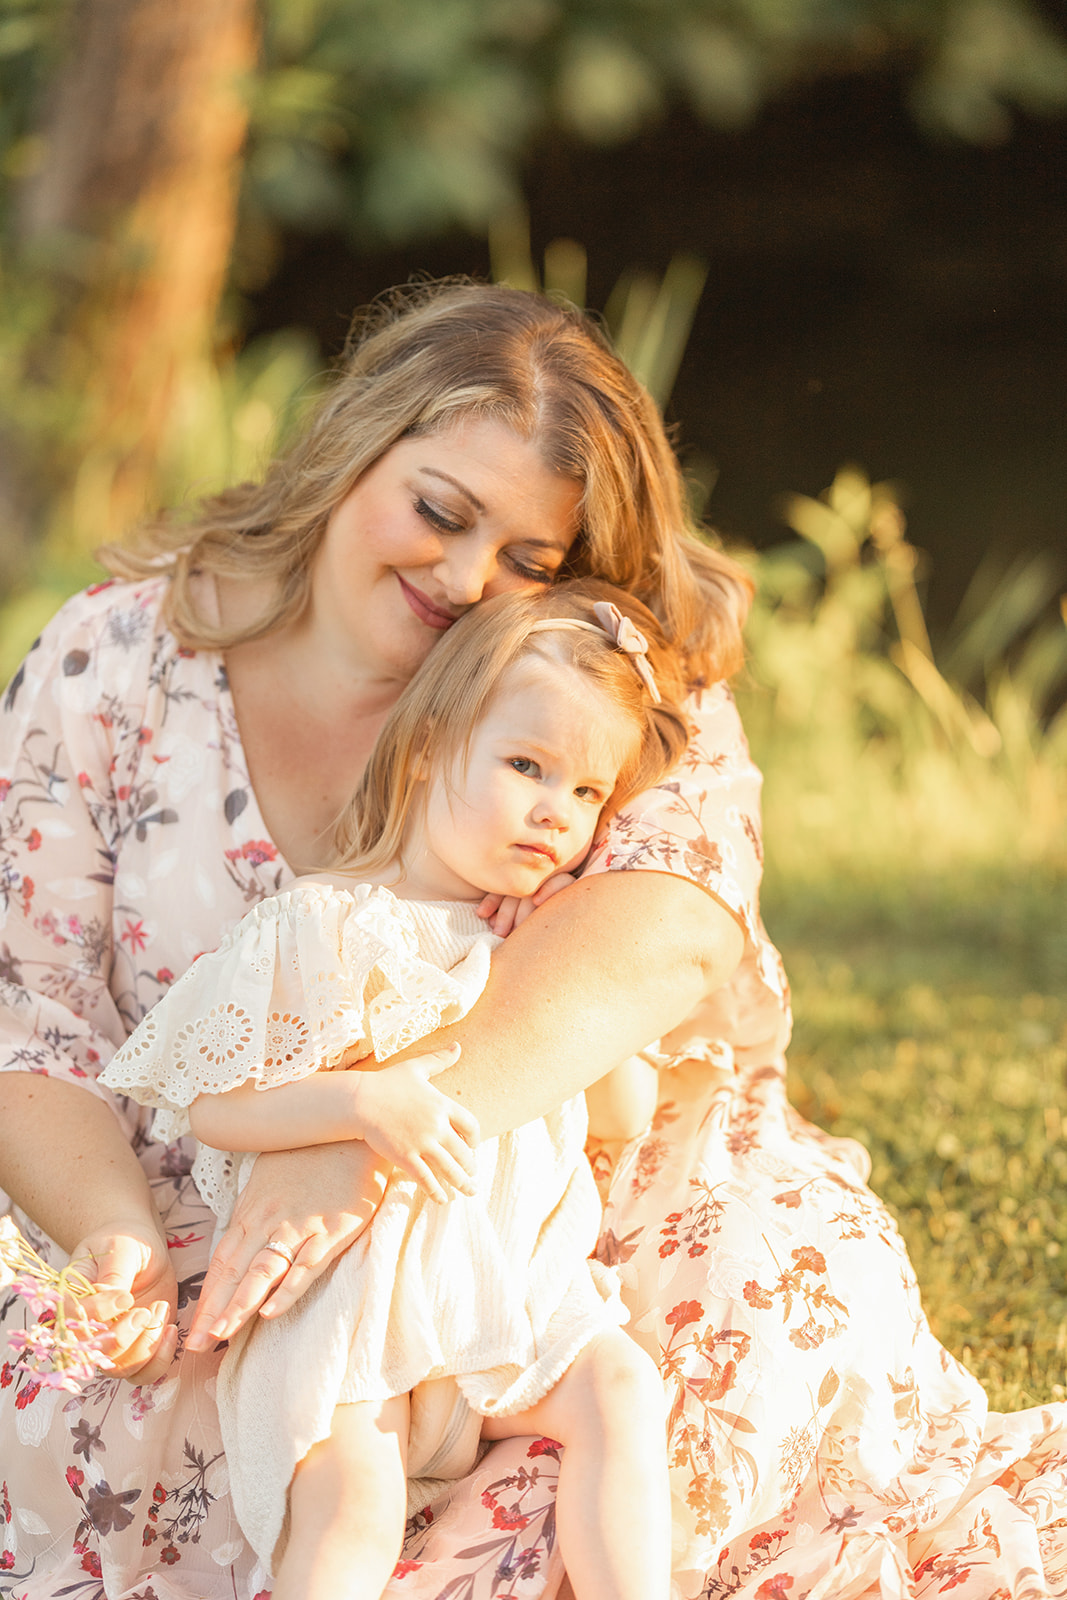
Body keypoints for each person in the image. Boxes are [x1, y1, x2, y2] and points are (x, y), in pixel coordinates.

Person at [1, 280, 1065, 1600]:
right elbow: (29, 1009)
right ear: (353, 450)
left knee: (719, 1332)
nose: (463, 579)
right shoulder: (115, 658)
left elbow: (664, 931)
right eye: (437, 513)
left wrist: (364, 1153)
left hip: (545, 1197)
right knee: (91, 1383)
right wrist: (118, 1244)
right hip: (204, 1208)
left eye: (527, 560)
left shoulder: (594, 676)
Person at [99, 581, 686, 1600]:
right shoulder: (330, 926)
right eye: (524, 766)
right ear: (425, 750)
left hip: (503, 1302)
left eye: (587, 794)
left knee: (621, 1386)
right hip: (352, 1315)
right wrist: (363, 1104)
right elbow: (214, 1106)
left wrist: (600, 1020)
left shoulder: (537, 959)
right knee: (350, 1500)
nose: (556, 810)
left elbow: (621, 1117)